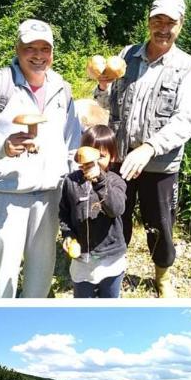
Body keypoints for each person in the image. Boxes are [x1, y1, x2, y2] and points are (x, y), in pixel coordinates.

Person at [0, 20, 81, 298]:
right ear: (17, 49)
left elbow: (72, 142)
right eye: (30, 48)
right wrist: (1, 146)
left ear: (53, 52)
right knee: (2, 274)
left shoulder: (62, 89)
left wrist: (73, 186)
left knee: (41, 273)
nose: (38, 55)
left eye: (45, 48)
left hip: (50, 195)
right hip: (7, 196)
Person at [93, 0, 191, 298]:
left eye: (170, 22)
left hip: (159, 164)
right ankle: (114, 271)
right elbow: (104, 105)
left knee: (161, 225)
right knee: (115, 218)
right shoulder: (126, 56)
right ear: (149, 21)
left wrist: (150, 147)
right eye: (157, 21)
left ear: (181, 24)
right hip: (119, 159)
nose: (163, 28)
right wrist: (102, 86)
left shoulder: (186, 67)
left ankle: (162, 276)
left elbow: (186, 120)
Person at [59, 125, 127, 298]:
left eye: (101, 156)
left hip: (110, 256)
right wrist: (68, 234)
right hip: (82, 257)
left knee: (110, 301)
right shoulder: (71, 182)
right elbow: (64, 213)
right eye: (89, 156)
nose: (93, 163)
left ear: (112, 157)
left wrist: (100, 181)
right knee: (83, 302)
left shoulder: (115, 181)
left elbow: (116, 209)